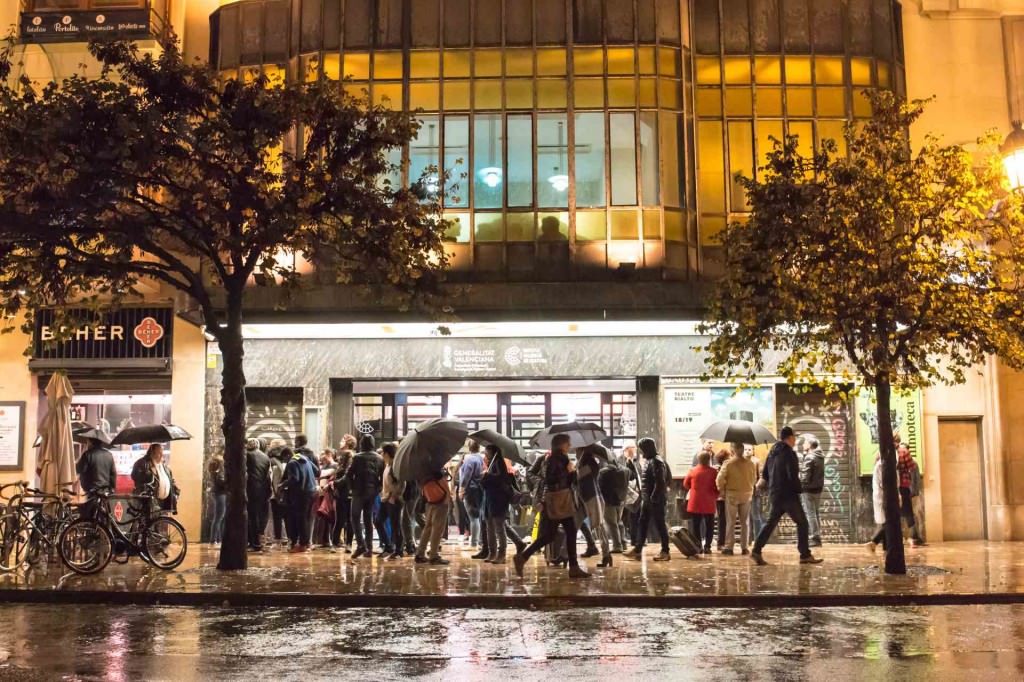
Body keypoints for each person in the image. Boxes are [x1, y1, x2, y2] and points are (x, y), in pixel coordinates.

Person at [514, 434, 590, 579]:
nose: (569, 445)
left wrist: (572, 472)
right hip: (557, 501)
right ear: (561, 444)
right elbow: (550, 479)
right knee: (552, 534)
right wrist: (569, 472)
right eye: (567, 443)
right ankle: (523, 557)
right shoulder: (554, 459)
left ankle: (573, 567)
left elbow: (570, 482)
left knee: (564, 532)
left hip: (561, 501)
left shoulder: (562, 458)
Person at [750, 426, 824, 566]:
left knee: (770, 522)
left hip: (775, 493)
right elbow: (792, 475)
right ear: (789, 438)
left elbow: (765, 474)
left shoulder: (772, 452)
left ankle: (756, 550)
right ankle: (804, 555)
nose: (795, 440)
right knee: (802, 522)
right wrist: (799, 489)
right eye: (794, 437)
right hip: (788, 495)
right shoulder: (790, 453)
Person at [624, 438, 671, 561]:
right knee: (643, 523)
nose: (641, 452)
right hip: (648, 499)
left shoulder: (656, 461)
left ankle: (665, 551)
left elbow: (660, 482)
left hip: (654, 500)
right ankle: (638, 548)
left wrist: (654, 497)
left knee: (660, 525)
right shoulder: (650, 461)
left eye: (642, 449)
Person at [345, 434, 384, 558]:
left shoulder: (357, 457)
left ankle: (361, 544)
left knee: (355, 518)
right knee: (368, 520)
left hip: (358, 491)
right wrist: (378, 489)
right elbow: (382, 477)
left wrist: (351, 488)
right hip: (372, 492)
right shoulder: (379, 458)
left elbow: (349, 474)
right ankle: (369, 548)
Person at [716, 442, 757, 555]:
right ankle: (745, 547)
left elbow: (720, 479)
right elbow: (754, 479)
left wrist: (722, 490)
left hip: (732, 494)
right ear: (743, 450)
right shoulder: (750, 463)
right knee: (745, 522)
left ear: (733, 450)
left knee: (731, 522)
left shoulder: (728, 463)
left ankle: (729, 547)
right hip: (747, 494)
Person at [577, 444, 612, 567]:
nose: (576, 452)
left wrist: (574, 471)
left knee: (599, 526)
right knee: (577, 524)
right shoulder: (588, 463)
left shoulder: (587, 464)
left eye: (578, 450)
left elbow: (580, 481)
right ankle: (598, 551)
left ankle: (606, 555)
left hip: (591, 498)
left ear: (583, 451)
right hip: (588, 498)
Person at [480, 444, 516, 564]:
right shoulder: (492, 463)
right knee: (490, 527)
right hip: (490, 500)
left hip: (498, 500)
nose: (485, 455)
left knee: (499, 528)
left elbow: (500, 479)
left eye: (487, 452)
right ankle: (492, 552)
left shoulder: (498, 463)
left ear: (492, 452)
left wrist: (487, 475)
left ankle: (501, 554)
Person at [281, 446, 317, 552]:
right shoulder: (304, 458)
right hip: (311, 491)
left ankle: (302, 545)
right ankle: (306, 544)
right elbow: (317, 471)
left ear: (287, 455)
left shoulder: (292, 462)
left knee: (300, 519)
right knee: (305, 518)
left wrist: (282, 485)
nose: (285, 462)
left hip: (300, 494)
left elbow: (294, 479)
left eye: (284, 459)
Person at [684, 450, 720, 553]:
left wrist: (694, 489)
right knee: (710, 526)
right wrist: (716, 495)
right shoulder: (714, 472)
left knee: (696, 526)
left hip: (696, 502)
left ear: (698, 459)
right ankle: (707, 547)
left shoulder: (692, 471)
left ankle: (698, 546)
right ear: (709, 460)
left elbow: (686, 484)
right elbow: (717, 486)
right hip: (709, 501)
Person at [415, 468, 451, 565]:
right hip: (440, 500)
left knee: (428, 527)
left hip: (429, 499)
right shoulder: (434, 466)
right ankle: (434, 555)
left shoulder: (420, 471)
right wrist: (448, 496)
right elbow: (442, 482)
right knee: (437, 529)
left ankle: (420, 554)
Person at [378, 442, 406, 560]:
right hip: (386, 498)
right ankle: (388, 546)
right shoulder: (388, 465)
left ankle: (399, 550)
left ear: (387, 453)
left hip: (393, 499)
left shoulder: (395, 466)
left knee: (396, 525)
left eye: (383, 452)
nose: (382, 455)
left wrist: (394, 496)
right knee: (378, 521)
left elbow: (402, 483)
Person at [131, 443, 178, 513]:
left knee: (163, 522)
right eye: (159, 453)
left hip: (164, 504)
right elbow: (135, 476)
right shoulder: (142, 463)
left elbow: (170, 479)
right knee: (150, 523)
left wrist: (175, 489)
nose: (162, 455)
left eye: (162, 452)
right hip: (150, 503)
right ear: (152, 453)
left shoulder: (164, 465)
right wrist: (148, 474)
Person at [897, 442, 927, 547]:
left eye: (904, 450)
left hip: (908, 491)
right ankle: (911, 537)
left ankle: (913, 537)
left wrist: (915, 491)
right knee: (906, 514)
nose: (902, 452)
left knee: (909, 514)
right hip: (903, 490)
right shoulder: (902, 461)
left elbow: (916, 478)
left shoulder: (912, 462)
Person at [799, 436, 826, 548]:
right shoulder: (820, 456)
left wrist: (800, 484)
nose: (802, 445)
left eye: (805, 443)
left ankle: (815, 538)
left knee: (810, 514)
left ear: (809, 445)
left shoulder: (810, 457)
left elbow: (805, 476)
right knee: (815, 513)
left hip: (808, 489)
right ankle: (817, 536)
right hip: (817, 489)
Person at [245, 438, 272, 552]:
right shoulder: (265, 457)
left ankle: (255, 544)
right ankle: (255, 542)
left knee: (251, 517)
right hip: (262, 490)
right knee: (258, 516)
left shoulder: (247, 455)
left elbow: (244, 472)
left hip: (250, 489)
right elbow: (267, 476)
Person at [294, 434, 320, 547]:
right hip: (312, 487)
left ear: (298, 442)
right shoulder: (312, 454)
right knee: (309, 515)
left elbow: (293, 468)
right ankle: (308, 541)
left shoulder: (296, 454)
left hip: (300, 489)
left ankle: (301, 542)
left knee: (300, 516)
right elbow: (318, 472)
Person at [597, 455, 628, 554]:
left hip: (608, 501)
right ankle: (623, 543)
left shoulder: (603, 472)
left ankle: (617, 546)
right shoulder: (624, 470)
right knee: (619, 522)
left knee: (611, 523)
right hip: (620, 500)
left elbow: (600, 487)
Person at [459, 441, 486, 553]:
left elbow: (466, 476)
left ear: (469, 448)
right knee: (478, 516)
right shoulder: (482, 458)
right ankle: (479, 541)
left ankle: (474, 543)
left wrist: (462, 489)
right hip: (480, 490)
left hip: (470, 490)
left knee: (473, 517)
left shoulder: (469, 459)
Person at [331, 439, 355, 552]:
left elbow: (347, 476)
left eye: (342, 441)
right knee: (341, 519)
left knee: (347, 519)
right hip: (341, 493)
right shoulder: (342, 457)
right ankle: (337, 543)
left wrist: (335, 483)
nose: (340, 442)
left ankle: (347, 543)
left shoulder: (350, 457)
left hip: (347, 493)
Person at [267, 440, 288, 546]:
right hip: (277, 494)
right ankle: (278, 538)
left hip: (275, 494)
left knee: (275, 518)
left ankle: (276, 538)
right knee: (276, 518)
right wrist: (277, 494)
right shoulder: (276, 462)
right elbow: (274, 479)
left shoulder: (273, 461)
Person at [867, 453, 888, 553]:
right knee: (889, 522)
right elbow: (883, 483)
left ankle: (885, 546)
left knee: (886, 522)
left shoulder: (878, 465)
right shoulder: (880, 465)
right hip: (883, 497)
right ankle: (874, 542)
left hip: (881, 496)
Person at [207, 456, 227, 545]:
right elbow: (222, 482)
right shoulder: (219, 472)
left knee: (219, 517)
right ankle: (214, 539)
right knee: (219, 517)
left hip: (217, 494)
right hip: (221, 494)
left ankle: (218, 539)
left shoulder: (214, 471)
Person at [713, 448, 730, 551]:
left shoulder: (716, 468)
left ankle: (722, 542)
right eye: (728, 457)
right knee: (723, 520)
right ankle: (721, 543)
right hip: (722, 497)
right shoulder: (723, 468)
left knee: (723, 520)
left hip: (719, 497)